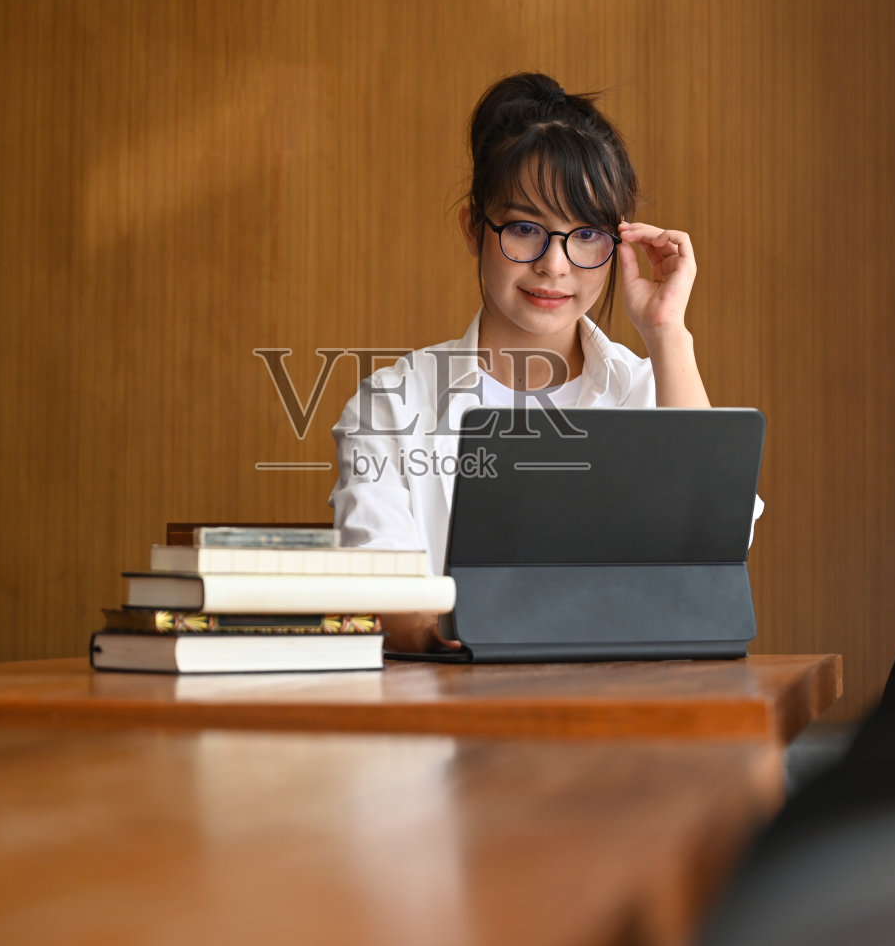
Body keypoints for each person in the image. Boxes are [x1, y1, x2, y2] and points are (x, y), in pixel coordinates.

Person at [327, 72, 762, 652]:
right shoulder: (394, 402)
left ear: (617, 245)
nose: (554, 265)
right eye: (527, 229)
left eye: (584, 235)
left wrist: (667, 332)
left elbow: (714, 542)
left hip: (630, 713)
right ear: (474, 229)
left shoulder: (642, 389)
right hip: (451, 711)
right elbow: (375, 591)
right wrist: (462, 635)